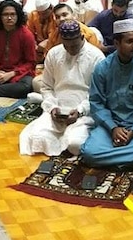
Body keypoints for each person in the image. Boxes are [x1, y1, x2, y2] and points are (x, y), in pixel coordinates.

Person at [80, 19, 133, 170]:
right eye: (130, 41)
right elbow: (96, 103)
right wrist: (113, 128)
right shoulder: (103, 68)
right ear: (116, 43)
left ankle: (111, 158)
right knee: (89, 153)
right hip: (110, 124)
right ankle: (127, 160)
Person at [19, 21, 105, 156]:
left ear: (82, 37)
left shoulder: (96, 57)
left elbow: (98, 95)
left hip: (85, 112)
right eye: (66, 45)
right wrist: (52, 107)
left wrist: (80, 111)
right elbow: (47, 87)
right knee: (35, 138)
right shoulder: (54, 54)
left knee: (74, 144)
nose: (70, 49)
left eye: (74, 45)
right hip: (57, 110)